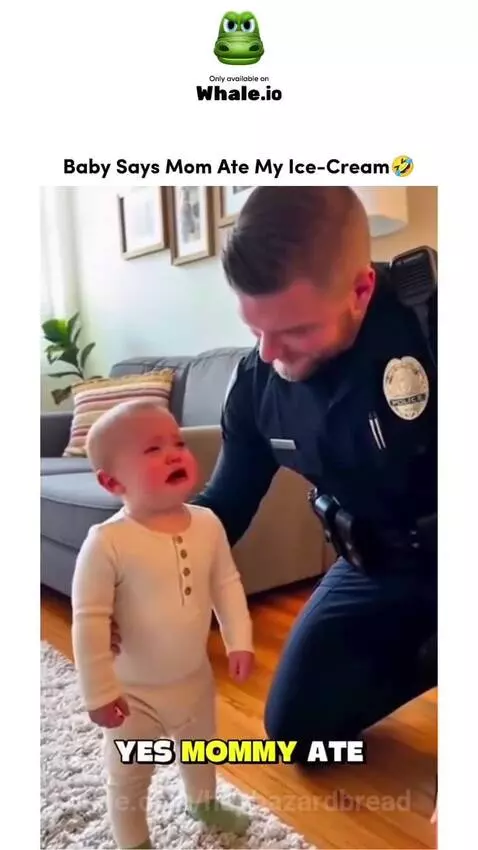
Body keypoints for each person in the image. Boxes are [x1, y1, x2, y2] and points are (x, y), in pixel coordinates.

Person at [112, 186, 437, 766]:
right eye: (255, 328)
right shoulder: (258, 383)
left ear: (360, 290)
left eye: (294, 330)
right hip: (375, 565)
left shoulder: (433, 329)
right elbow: (225, 506)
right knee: (299, 733)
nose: (268, 353)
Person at [71, 400, 254, 850]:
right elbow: (89, 620)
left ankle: (204, 803)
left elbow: (226, 584)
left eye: (178, 442)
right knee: (130, 775)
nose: (175, 453)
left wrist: (240, 641)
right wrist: (98, 692)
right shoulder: (107, 542)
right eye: (153, 449)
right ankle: (134, 842)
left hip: (193, 679)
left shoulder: (208, 523)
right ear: (113, 482)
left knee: (200, 749)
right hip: (132, 693)